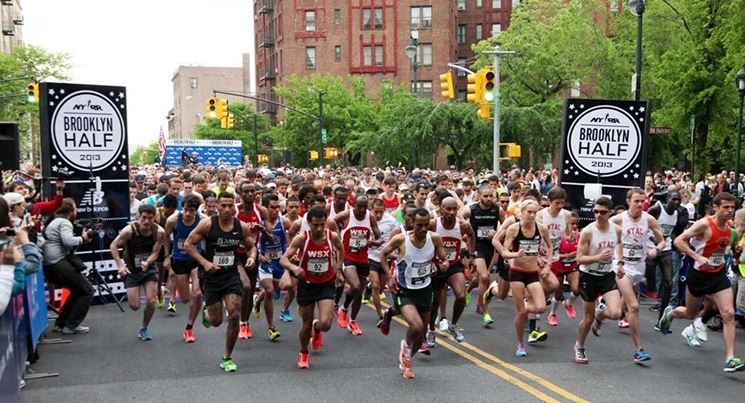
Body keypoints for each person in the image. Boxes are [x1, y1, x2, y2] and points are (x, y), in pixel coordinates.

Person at [661, 192, 745, 372]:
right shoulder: (704, 224)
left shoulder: (730, 228)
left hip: (718, 275)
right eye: (726, 207)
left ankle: (730, 359)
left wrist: (734, 251)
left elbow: (727, 248)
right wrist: (697, 256)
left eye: (732, 207)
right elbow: (678, 241)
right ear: (716, 207)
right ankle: (670, 314)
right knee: (691, 313)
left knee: (728, 313)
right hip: (698, 276)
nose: (730, 211)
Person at [184, 192, 257, 372]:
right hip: (211, 277)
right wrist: (205, 262)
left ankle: (227, 357)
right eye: (222, 206)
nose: (226, 209)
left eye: (229, 206)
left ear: (234, 206)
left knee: (234, 314)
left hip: (231, 275)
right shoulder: (208, 224)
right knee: (216, 321)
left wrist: (252, 258)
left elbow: (251, 247)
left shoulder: (241, 226)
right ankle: (206, 311)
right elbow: (188, 244)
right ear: (216, 207)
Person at [379, 208, 449, 379]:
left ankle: (408, 356)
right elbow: (383, 254)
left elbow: (443, 258)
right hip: (404, 290)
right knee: (416, 326)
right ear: (412, 223)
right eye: (420, 225)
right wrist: (389, 277)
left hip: (424, 289)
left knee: (421, 332)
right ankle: (406, 353)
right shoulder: (401, 239)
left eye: (426, 225)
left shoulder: (435, 238)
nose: (424, 229)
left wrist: (444, 264)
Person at [280, 206, 344, 369]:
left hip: (326, 283)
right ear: (308, 223)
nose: (319, 228)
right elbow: (284, 259)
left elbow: (341, 250)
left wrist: (338, 270)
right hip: (307, 284)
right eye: (315, 225)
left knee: (326, 324)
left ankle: (318, 328)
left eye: (322, 224)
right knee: (306, 324)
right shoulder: (302, 238)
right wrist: (294, 268)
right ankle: (303, 353)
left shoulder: (332, 236)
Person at [609, 188, 662, 362]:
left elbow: (662, 241)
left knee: (617, 311)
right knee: (634, 306)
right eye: (636, 201)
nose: (640, 204)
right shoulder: (618, 219)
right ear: (628, 201)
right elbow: (600, 230)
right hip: (621, 266)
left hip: (639, 266)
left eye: (643, 201)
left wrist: (656, 249)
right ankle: (638, 350)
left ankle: (600, 315)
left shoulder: (649, 219)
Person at [573, 197, 624, 364]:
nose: (598, 215)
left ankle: (600, 316)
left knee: (616, 313)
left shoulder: (616, 229)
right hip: (589, 276)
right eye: (595, 211)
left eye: (603, 212)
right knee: (587, 320)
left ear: (610, 213)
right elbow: (579, 258)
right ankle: (579, 347)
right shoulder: (588, 231)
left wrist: (620, 262)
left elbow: (619, 244)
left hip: (607, 274)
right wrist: (598, 257)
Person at [501, 199, 551, 357]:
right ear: (521, 212)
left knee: (541, 307)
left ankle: (521, 308)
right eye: (529, 212)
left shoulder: (541, 228)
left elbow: (550, 247)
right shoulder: (514, 229)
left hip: (532, 272)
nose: (532, 215)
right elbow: (504, 251)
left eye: (535, 212)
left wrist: (548, 264)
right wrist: (515, 254)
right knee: (522, 314)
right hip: (516, 271)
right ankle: (520, 344)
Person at [111, 204, 166, 341]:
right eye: (143, 218)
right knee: (134, 306)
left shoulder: (158, 232)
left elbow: (155, 252)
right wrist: (120, 265)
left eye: (150, 218)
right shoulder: (129, 231)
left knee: (151, 301)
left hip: (148, 268)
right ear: (138, 217)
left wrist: (148, 262)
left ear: (154, 218)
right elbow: (113, 245)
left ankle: (144, 328)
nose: (146, 221)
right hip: (132, 270)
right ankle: (133, 291)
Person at [41, 198, 94, 335]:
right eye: (75, 209)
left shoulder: (54, 221)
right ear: (71, 212)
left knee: (78, 290)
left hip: (50, 265)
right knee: (88, 290)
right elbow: (69, 241)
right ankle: (71, 326)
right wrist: (84, 238)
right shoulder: (64, 222)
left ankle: (61, 323)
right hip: (57, 263)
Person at [427, 197, 475, 346]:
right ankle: (431, 330)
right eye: (448, 209)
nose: (452, 212)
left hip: (453, 265)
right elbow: (423, 242)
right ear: (441, 209)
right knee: (435, 303)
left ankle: (453, 324)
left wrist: (472, 256)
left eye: (455, 209)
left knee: (461, 295)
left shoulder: (462, 225)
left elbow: (472, 236)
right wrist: (430, 264)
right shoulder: (433, 225)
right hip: (436, 266)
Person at [333, 195, 382, 335]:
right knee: (354, 285)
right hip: (348, 257)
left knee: (359, 292)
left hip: (363, 258)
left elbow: (379, 238)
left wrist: (374, 242)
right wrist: (337, 234)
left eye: (364, 206)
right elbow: (330, 224)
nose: (361, 209)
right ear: (354, 204)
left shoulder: (370, 217)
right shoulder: (346, 214)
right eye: (359, 206)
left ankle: (353, 321)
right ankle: (344, 308)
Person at [460, 185, 503, 327]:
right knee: (485, 277)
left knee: (479, 278)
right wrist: (465, 232)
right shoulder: (471, 209)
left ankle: (468, 290)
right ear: (479, 195)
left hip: (490, 247)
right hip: (476, 246)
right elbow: (459, 217)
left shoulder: (497, 209)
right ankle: (485, 312)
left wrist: (496, 233)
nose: (489, 199)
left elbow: (507, 227)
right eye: (485, 196)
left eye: (491, 196)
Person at [162, 194, 204, 343]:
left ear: (196, 211)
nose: (187, 214)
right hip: (179, 260)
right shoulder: (173, 220)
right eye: (185, 209)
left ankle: (189, 327)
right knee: (186, 299)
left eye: (191, 210)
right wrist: (167, 256)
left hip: (195, 259)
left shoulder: (202, 220)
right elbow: (165, 238)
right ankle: (194, 300)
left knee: (197, 294)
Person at [646, 191, 688, 326]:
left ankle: (661, 320)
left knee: (669, 283)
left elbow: (675, 231)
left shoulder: (678, 212)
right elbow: (643, 223)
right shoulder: (656, 208)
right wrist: (654, 239)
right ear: (668, 199)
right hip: (649, 246)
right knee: (644, 277)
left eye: (679, 200)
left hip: (666, 248)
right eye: (674, 199)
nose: (676, 202)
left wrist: (674, 242)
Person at [255, 193, 293, 340]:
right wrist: (258, 255)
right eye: (272, 207)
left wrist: (290, 251)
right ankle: (271, 327)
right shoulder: (259, 222)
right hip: (264, 261)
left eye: (278, 207)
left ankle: (257, 301)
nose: (276, 210)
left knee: (276, 288)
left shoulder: (283, 221)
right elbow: (251, 241)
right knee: (270, 291)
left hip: (279, 262)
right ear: (265, 208)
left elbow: (295, 234)